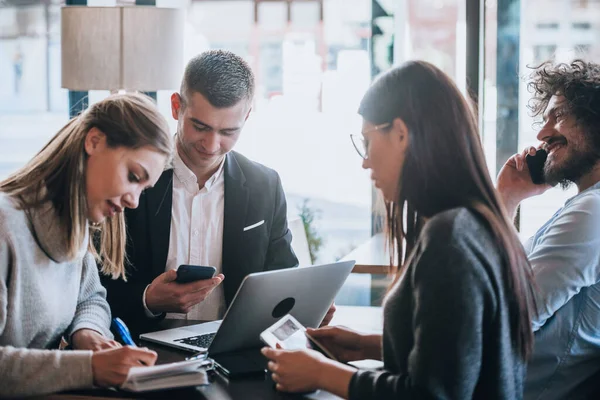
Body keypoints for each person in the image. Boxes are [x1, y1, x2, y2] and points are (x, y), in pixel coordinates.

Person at [261, 61, 535, 399]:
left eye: (367, 141)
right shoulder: (475, 223)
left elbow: (431, 394)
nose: (364, 161)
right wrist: (368, 345)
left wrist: (322, 373)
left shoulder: (449, 237)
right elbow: (456, 353)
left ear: (401, 134)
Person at [100, 50, 337, 334]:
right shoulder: (133, 177)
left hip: (233, 352)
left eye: (228, 132)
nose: (211, 146)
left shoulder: (265, 186)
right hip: (142, 349)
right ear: (176, 107)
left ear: (247, 117)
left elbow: (281, 280)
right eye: (200, 127)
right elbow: (94, 288)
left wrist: (305, 308)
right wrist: (147, 299)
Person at [0, 93, 173, 397]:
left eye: (143, 189)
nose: (133, 201)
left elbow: (90, 298)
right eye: (134, 177)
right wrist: (89, 368)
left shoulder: (74, 222)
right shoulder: (6, 228)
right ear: (94, 141)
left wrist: (88, 334)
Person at [496, 59, 600, 400]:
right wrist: (508, 198)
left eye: (558, 115)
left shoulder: (592, 211)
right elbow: (508, 281)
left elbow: (510, 320)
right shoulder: (585, 206)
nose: (541, 134)